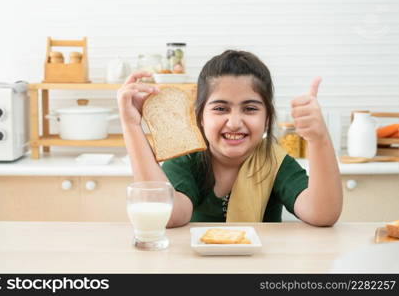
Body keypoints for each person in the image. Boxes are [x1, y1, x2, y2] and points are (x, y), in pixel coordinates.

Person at [117, 50, 343, 227]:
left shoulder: (274, 161)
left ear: (267, 118)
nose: (234, 122)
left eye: (250, 108)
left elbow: (322, 214)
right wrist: (131, 125)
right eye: (221, 108)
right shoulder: (187, 160)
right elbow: (167, 215)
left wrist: (318, 139)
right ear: (200, 117)